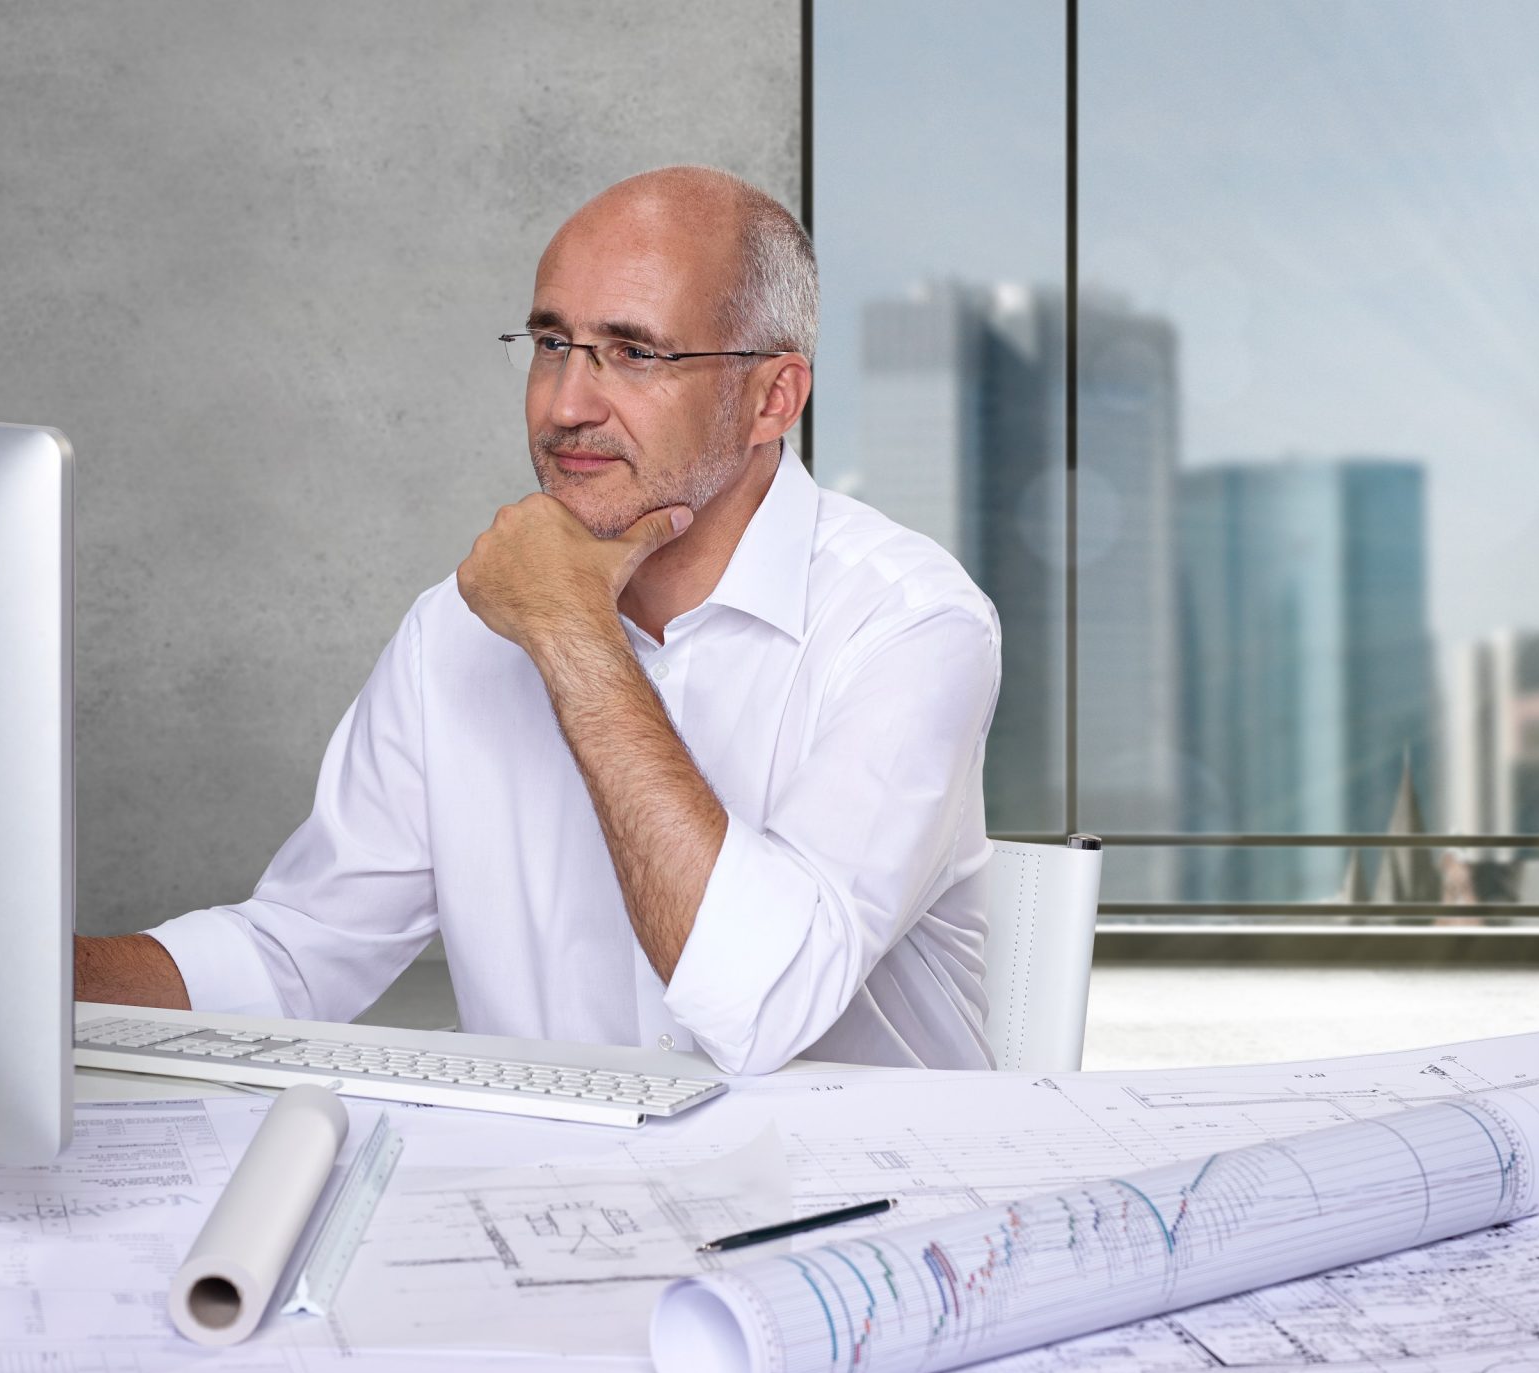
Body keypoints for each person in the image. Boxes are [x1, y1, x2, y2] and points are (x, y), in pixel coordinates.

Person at [77, 166, 1002, 1074]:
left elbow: (761, 1004)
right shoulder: (456, 631)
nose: (565, 405)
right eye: (552, 344)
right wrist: (26, 979)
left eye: (635, 354)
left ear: (773, 399)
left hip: (858, 1204)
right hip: (559, 1202)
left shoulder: (912, 625)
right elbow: (296, 952)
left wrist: (570, 634)